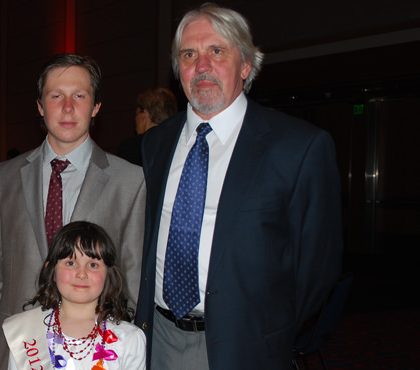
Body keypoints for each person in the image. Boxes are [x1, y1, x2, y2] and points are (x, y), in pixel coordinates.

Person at [134, 3, 343, 370]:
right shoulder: (157, 144)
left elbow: (317, 267)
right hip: (157, 340)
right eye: (189, 54)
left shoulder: (298, 147)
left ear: (246, 65)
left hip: (244, 348)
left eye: (217, 51)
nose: (201, 66)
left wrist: (269, 332)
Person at [0, 53, 146, 370]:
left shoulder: (129, 181)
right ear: (40, 106)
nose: (68, 107)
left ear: (96, 107)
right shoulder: (3, 178)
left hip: (95, 356)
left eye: (79, 95)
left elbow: (130, 281)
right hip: (17, 352)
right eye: (56, 96)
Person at [3, 221, 146, 370]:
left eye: (93, 265)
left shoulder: (129, 339)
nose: (81, 273)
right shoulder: (26, 333)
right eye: (70, 263)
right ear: (52, 271)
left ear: (108, 274)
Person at [117, 88, 178, 165]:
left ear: (145, 113)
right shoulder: (177, 144)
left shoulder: (130, 148)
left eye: (136, 114)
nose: (135, 119)